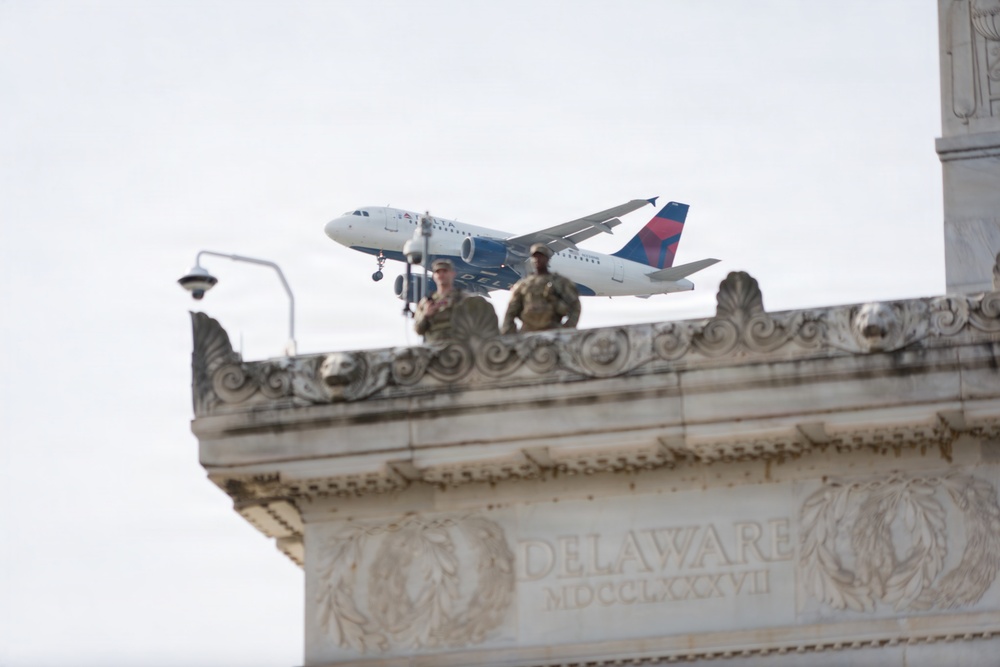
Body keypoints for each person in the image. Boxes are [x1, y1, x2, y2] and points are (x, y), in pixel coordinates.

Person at [501, 243, 581, 334]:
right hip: (527, 333)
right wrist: (510, 333)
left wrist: (567, 328)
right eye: (535, 257)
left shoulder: (559, 282)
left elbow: (575, 306)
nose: (537, 259)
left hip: (553, 331)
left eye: (541, 256)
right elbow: (511, 311)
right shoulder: (523, 285)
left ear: (547, 259)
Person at [414, 258, 467, 343]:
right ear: (433, 276)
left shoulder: (464, 298)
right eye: (438, 272)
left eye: (445, 271)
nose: (441, 274)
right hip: (434, 349)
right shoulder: (426, 302)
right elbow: (418, 330)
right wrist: (426, 315)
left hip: (458, 349)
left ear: (453, 274)